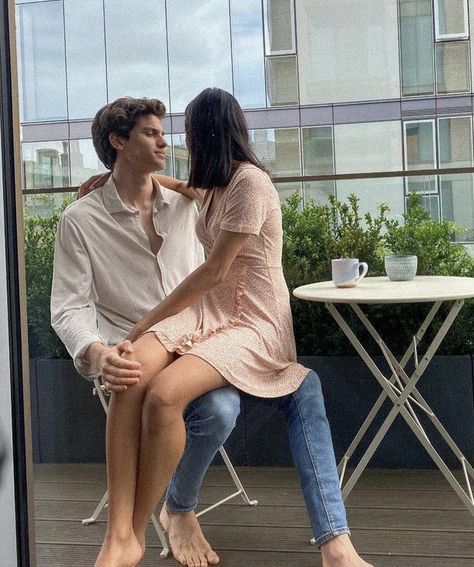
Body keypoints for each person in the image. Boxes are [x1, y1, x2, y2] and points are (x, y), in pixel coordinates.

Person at [81, 88, 373, 567]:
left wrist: (146, 322)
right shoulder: (218, 184)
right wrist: (112, 180)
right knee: (136, 374)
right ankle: (125, 534)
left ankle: (146, 524)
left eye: (188, 133)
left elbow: (214, 272)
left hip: (254, 320)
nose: (181, 142)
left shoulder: (251, 184)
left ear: (207, 133)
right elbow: (185, 187)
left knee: (164, 394)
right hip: (213, 317)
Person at [51, 96, 240, 567]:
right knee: (132, 370)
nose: (164, 141)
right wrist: (98, 354)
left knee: (218, 410)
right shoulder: (81, 220)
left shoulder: (185, 203)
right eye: (151, 133)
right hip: (129, 351)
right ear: (118, 141)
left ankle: (176, 508)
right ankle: (124, 534)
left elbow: (232, 196)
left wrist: (168, 182)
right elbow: (68, 308)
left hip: (198, 342)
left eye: (163, 132)